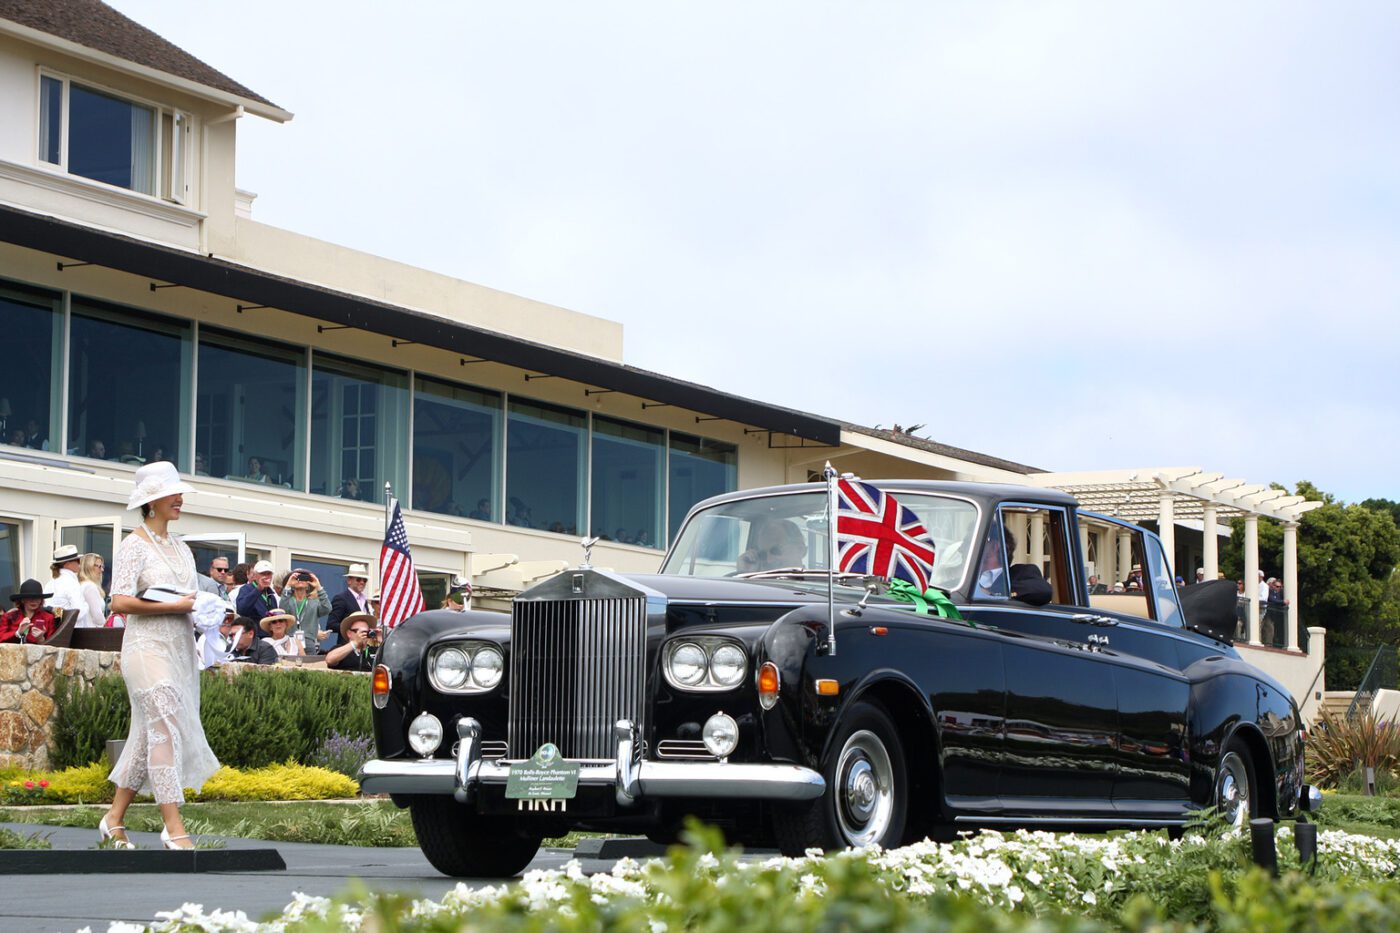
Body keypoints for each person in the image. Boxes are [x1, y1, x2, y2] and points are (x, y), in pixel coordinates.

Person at [101, 461, 220, 851]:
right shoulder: (133, 544)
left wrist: (206, 610)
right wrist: (176, 607)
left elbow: (188, 600)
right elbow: (118, 601)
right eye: (174, 493)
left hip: (179, 646)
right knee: (164, 721)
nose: (180, 499)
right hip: (144, 648)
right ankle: (172, 824)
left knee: (149, 735)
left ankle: (113, 819)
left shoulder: (183, 548)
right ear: (152, 501)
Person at [279, 568, 330, 653]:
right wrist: (288, 585)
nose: (300, 580)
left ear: (308, 584)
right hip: (290, 641)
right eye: (297, 578)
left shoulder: (314, 603)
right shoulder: (288, 601)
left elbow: (327, 608)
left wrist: (318, 587)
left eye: (304, 578)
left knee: (309, 665)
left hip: (309, 641)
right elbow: (282, 609)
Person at [737, 519, 806, 573]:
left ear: (800, 549)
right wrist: (746, 573)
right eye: (763, 554)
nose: (769, 560)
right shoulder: (761, 586)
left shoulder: (813, 586)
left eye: (775, 551)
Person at [327, 563, 372, 646]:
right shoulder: (341, 598)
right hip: (347, 646)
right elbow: (331, 625)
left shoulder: (364, 600)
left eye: (365, 580)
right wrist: (353, 628)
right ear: (349, 581)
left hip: (363, 646)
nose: (362, 582)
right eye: (358, 579)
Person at [47, 544, 90, 627]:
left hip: (54, 630)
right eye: (77, 560)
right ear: (67, 564)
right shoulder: (71, 583)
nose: (79, 563)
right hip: (71, 632)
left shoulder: (50, 583)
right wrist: (86, 605)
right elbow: (78, 613)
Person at [236, 559, 281, 634]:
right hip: (253, 637)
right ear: (255, 575)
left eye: (268, 573)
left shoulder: (271, 595)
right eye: (262, 573)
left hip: (269, 637)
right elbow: (241, 610)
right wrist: (258, 589)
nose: (266, 577)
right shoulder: (246, 589)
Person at [77, 552, 107, 629]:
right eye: (99, 566)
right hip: (92, 632)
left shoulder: (82, 585)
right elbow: (97, 616)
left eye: (102, 566)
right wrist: (107, 626)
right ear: (89, 567)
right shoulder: (90, 587)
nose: (102, 570)